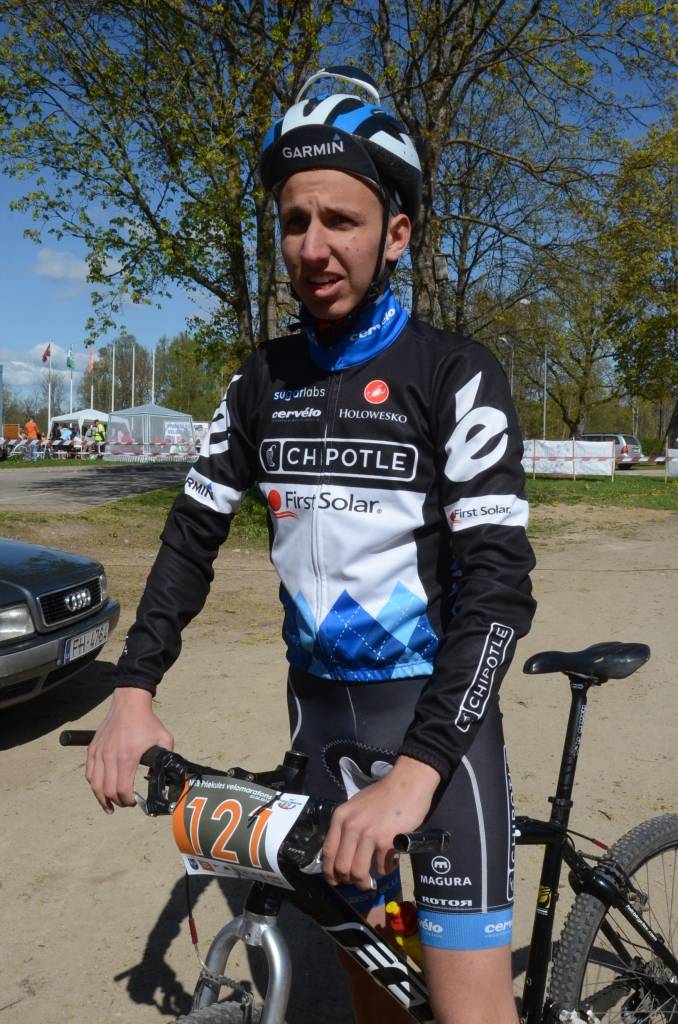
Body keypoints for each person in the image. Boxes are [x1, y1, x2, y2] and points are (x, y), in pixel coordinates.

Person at [86, 65, 535, 1024]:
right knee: (373, 993)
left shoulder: (454, 373)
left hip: (436, 730)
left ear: (397, 234)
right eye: (295, 221)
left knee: (470, 1012)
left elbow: (500, 589)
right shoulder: (261, 380)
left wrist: (419, 772)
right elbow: (191, 535)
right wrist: (133, 691)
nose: (314, 247)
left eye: (341, 220)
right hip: (320, 727)